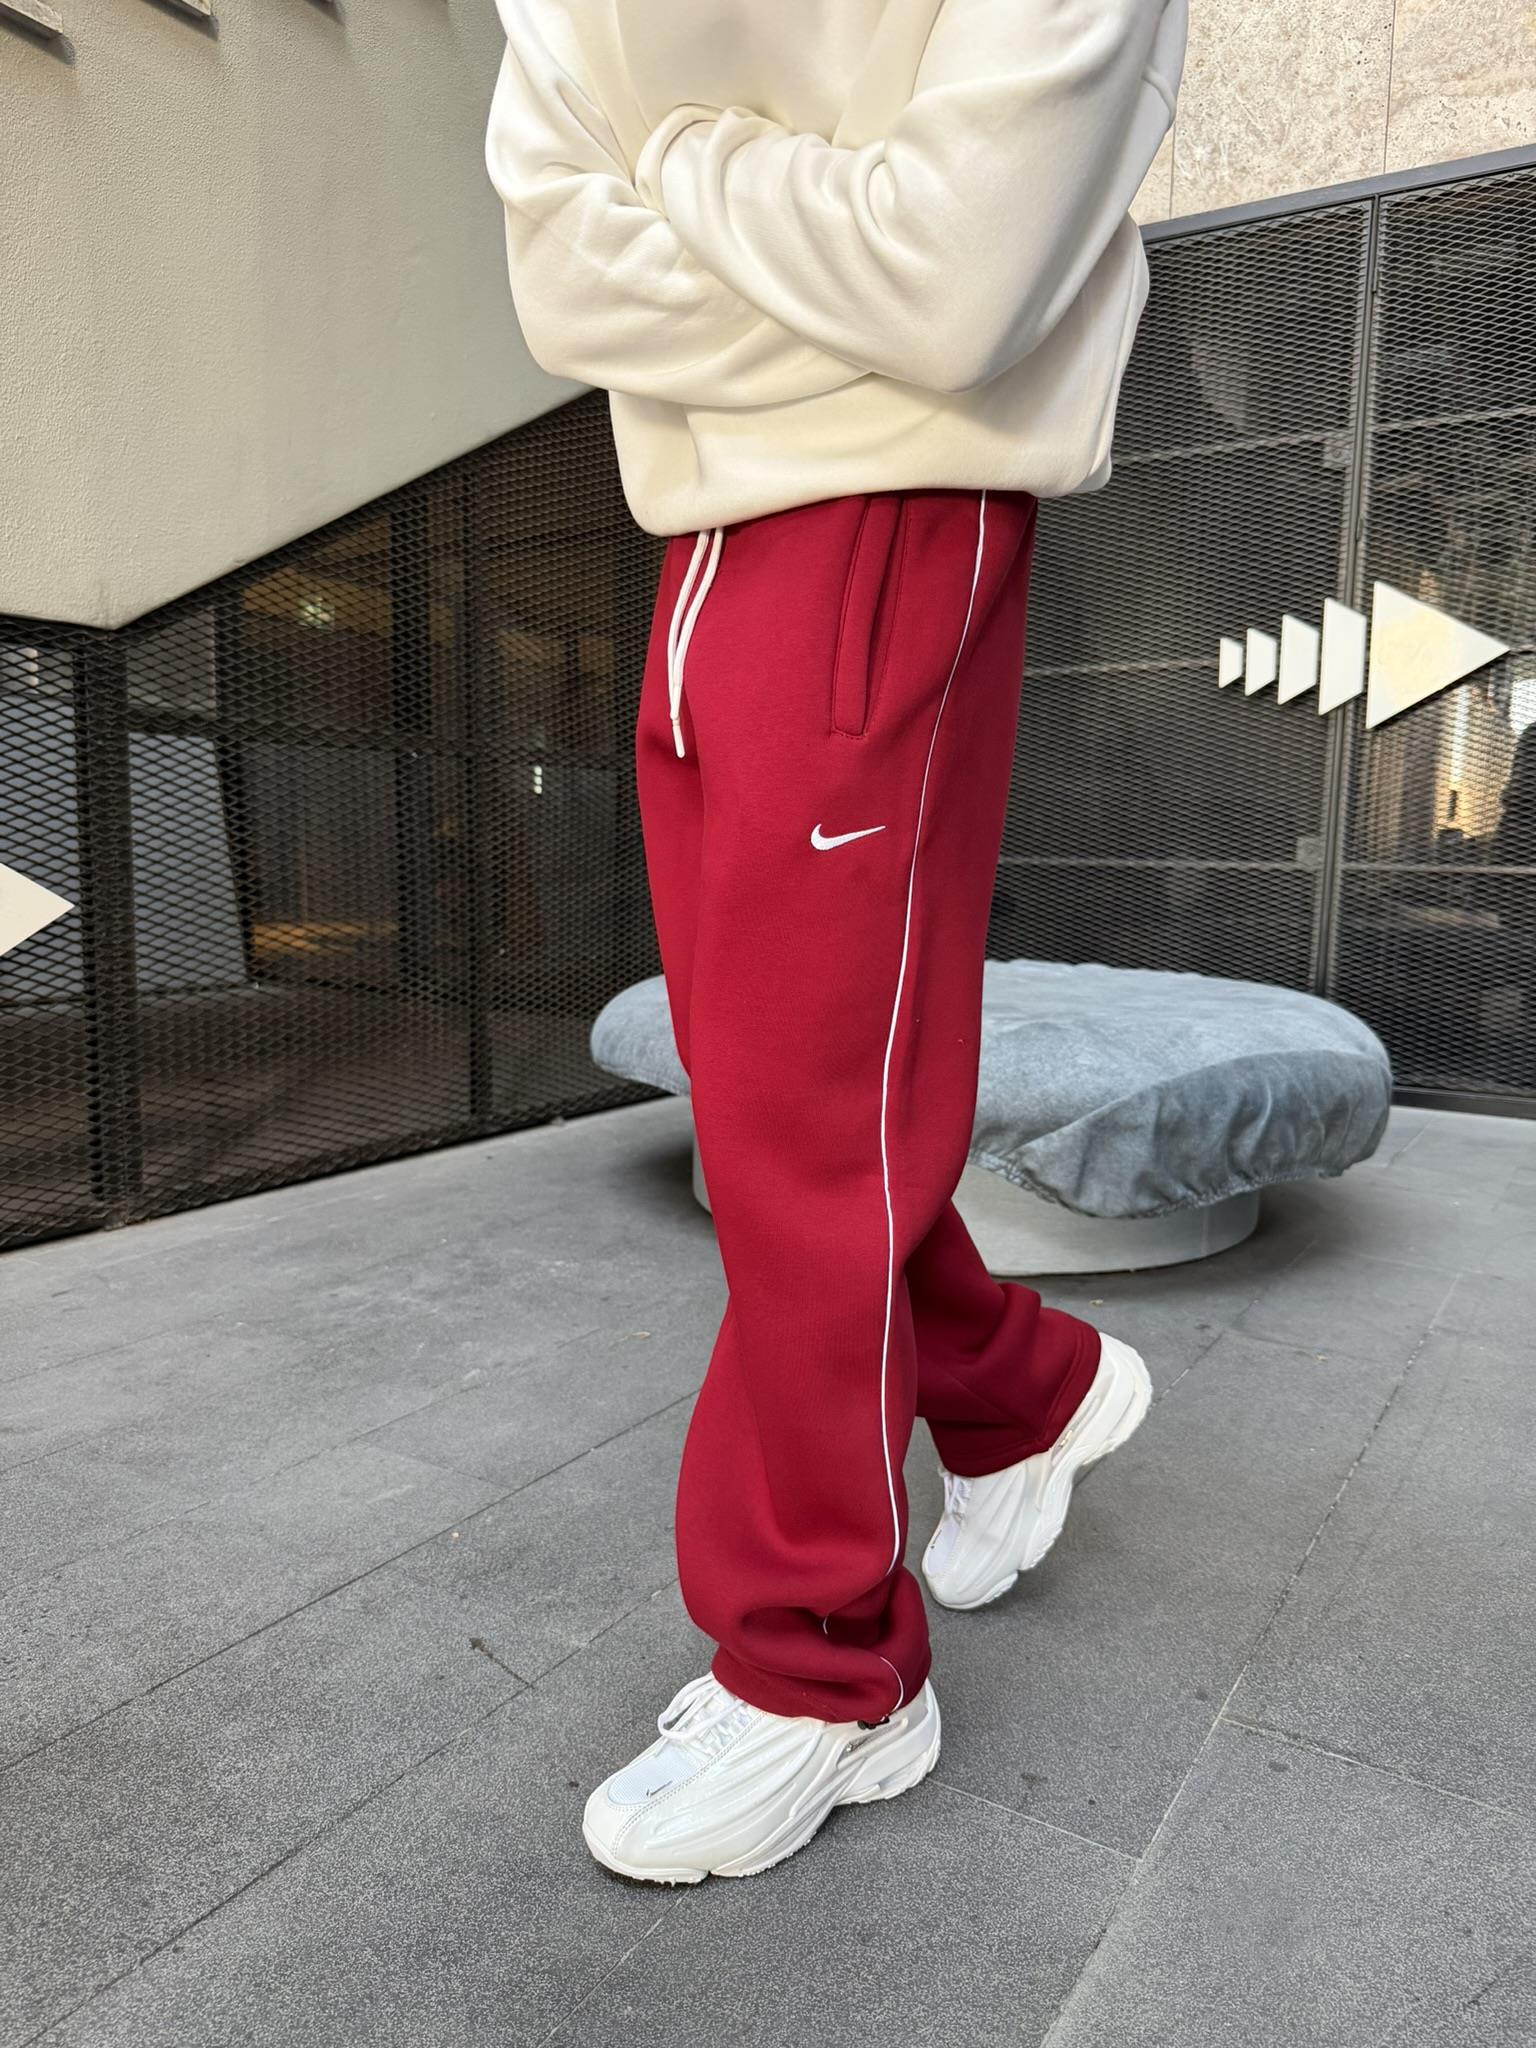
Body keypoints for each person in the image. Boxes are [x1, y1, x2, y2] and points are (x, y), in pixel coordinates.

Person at [485, 0, 1188, 1885]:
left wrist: (683, 162)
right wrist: (839, 265)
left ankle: (827, 1675)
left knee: (804, 1136)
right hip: (703, 554)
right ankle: (1022, 1393)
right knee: (778, 1114)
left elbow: (959, 287)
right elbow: (560, 281)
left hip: (884, 528)